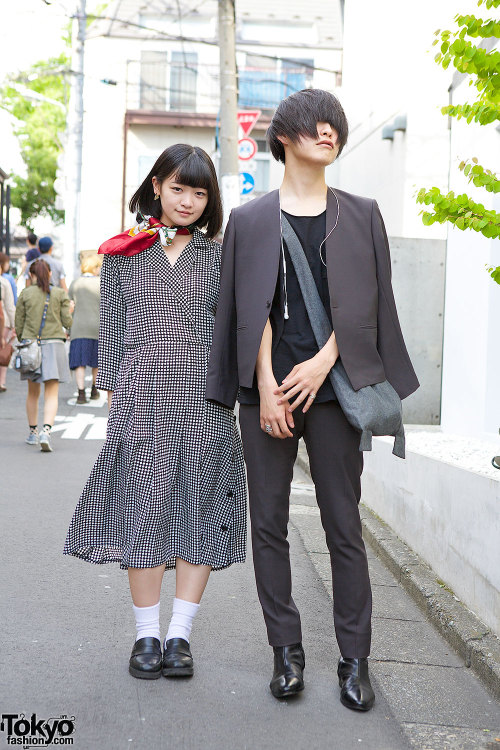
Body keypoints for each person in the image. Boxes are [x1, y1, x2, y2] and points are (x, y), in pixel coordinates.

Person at [207, 89, 419, 710]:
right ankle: (287, 652)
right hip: (270, 394)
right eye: (314, 125)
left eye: (335, 126)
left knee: (343, 524)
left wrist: (324, 360)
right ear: (285, 138)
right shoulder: (249, 220)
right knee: (268, 524)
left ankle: (356, 659)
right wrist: (269, 386)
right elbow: (250, 308)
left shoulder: (362, 213)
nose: (328, 133)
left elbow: (371, 304)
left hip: (335, 392)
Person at [64, 144, 246, 681]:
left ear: (209, 199)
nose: (187, 200)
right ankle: (146, 634)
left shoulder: (220, 256)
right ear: (156, 188)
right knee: (144, 515)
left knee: (201, 516)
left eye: (199, 191)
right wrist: (117, 398)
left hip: (205, 407)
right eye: (177, 188)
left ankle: (180, 636)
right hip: (141, 405)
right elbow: (114, 334)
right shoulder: (123, 254)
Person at [15, 258, 72, 451]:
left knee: (33, 393)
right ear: (49, 274)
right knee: (51, 393)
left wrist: (25, 340)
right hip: (54, 345)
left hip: (32, 346)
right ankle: (46, 431)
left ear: (31, 275)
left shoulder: (25, 294)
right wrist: (70, 310)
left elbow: (19, 325)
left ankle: (32, 432)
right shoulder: (58, 294)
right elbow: (67, 322)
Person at [68, 255, 101, 404]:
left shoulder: (75, 283)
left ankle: (81, 393)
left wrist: (67, 327)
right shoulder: (102, 283)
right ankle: (94, 389)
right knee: (96, 362)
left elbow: (70, 307)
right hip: (98, 328)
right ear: (94, 268)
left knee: (79, 362)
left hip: (79, 327)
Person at [0, 253, 16, 392]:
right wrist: (13, 324)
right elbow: (10, 306)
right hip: (3, 321)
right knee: (3, 351)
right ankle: (2, 381)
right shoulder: (5, 281)